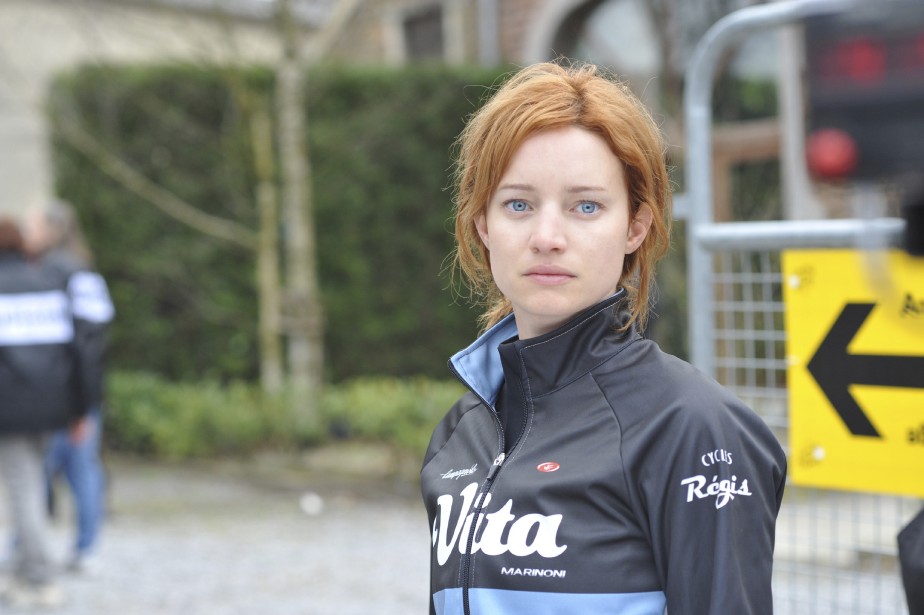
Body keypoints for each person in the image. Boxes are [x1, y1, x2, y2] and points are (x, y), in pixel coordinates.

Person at [420, 61, 787, 615]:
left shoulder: (692, 428)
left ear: (636, 227)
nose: (547, 237)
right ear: (483, 225)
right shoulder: (461, 432)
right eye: (518, 204)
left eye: (585, 206)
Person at [0, 217, 92, 608]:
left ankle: (40, 573)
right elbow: (77, 352)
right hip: (51, 407)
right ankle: (21, 568)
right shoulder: (48, 284)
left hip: (9, 410)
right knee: (33, 484)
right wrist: (80, 407)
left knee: (24, 488)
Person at [23, 201, 114, 573]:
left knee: (72, 468)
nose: (27, 233)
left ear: (52, 230)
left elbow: (89, 344)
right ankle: (42, 545)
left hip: (65, 394)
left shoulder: (68, 273)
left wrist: (84, 402)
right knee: (47, 469)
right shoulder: (61, 271)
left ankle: (79, 547)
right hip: (57, 393)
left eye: (33, 226)